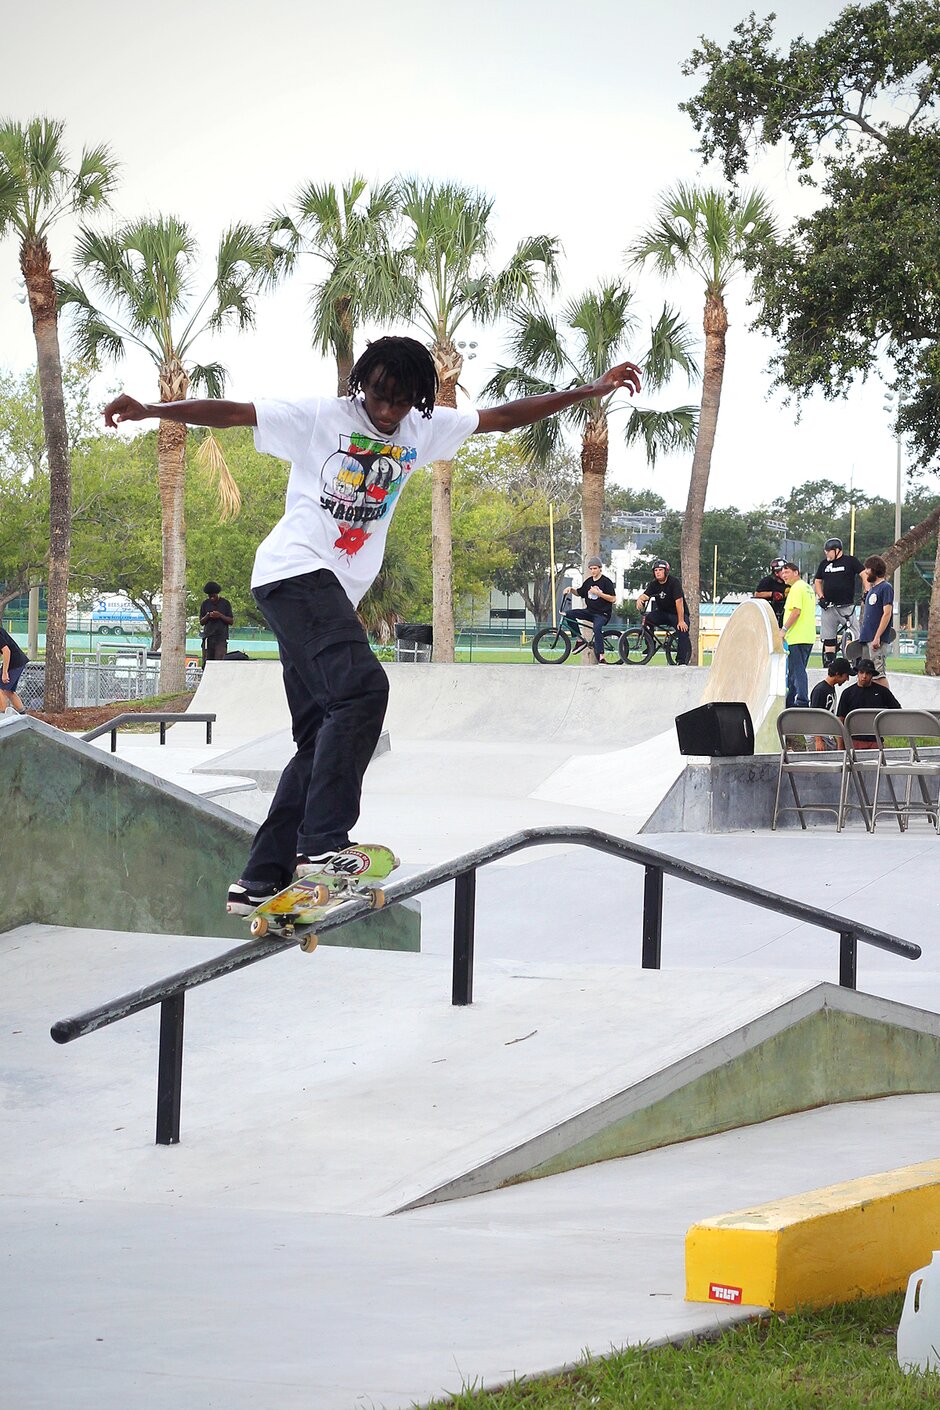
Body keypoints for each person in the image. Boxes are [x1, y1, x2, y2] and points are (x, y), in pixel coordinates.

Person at [103, 335, 641, 914]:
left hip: (314, 592)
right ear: (362, 385)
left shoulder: (423, 429)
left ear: (419, 399)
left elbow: (503, 417)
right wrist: (152, 409)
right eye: (378, 396)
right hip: (295, 573)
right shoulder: (320, 417)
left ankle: (260, 878)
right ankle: (323, 844)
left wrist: (590, 390)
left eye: (400, 401)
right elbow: (233, 412)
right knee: (362, 691)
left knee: (319, 738)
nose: (386, 412)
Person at [814, 536, 865, 668]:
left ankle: (856, 661)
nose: (826, 554)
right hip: (829, 607)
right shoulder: (824, 564)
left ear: (837, 550)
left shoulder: (850, 561)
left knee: (855, 633)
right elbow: (818, 581)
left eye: (828, 551)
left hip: (846, 606)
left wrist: (867, 591)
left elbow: (864, 574)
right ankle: (830, 663)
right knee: (828, 637)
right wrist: (821, 597)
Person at [636, 558, 691, 664]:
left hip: (677, 614)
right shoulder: (653, 584)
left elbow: (679, 602)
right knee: (648, 619)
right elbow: (646, 595)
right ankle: (651, 645)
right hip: (663, 613)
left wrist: (681, 621)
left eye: (660, 570)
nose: (658, 572)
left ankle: (681, 660)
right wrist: (640, 599)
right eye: (655, 570)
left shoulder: (674, 582)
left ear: (666, 571)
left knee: (683, 631)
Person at [837, 657, 901, 747]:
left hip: (876, 739)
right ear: (857, 673)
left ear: (872, 675)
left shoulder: (882, 692)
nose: (864, 676)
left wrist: (886, 727)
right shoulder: (847, 693)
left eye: (868, 673)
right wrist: (840, 745)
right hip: (853, 740)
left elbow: (897, 711)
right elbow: (841, 719)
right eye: (861, 672)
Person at [779, 562, 817, 708]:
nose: (784, 575)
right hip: (807, 636)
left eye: (787, 572)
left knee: (798, 669)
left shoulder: (796, 588)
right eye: (782, 573)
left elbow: (796, 611)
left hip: (796, 636)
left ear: (796, 572)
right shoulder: (807, 588)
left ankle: (802, 700)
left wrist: (784, 629)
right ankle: (789, 699)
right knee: (794, 670)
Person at [568, 556, 617, 663]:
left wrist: (599, 593)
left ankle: (601, 656)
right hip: (589, 611)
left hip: (602, 614)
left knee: (597, 628)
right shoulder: (588, 582)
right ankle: (579, 640)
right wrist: (571, 589)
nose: (593, 571)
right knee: (568, 614)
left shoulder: (606, 582)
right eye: (591, 569)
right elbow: (579, 593)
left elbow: (613, 599)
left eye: (595, 568)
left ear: (600, 568)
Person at [857, 555, 894, 683]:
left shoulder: (885, 587)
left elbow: (887, 613)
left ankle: (885, 696)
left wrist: (877, 636)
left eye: (868, 568)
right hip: (867, 637)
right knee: (866, 675)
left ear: (874, 569)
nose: (866, 572)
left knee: (878, 673)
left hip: (876, 639)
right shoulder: (872, 590)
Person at [808, 657, 851, 750]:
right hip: (819, 735)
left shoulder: (830, 688)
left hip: (826, 734)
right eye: (846, 675)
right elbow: (814, 715)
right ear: (837, 674)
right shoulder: (820, 690)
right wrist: (818, 740)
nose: (847, 679)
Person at [199, 581, 234, 667]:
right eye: (210, 596)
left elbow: (231, 621)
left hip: (220, 638)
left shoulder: (225, 603)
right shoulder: (205, 604)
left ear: (217, 594)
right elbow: (201, 622)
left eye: (213, 596)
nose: (212, 598)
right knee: (207, 662)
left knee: (219, 661)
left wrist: (220, 615)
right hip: (208, 637)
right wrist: (208, 616)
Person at [0, 625, 28, 715]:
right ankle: (23, 715)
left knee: (1, 689)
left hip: (15, 662)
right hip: (17, 661)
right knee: (9, 691)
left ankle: (2, 716)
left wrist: (5, 673)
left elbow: (6, 651)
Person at [754, 558, 788, 628]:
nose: (786, 574)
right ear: (776, 573)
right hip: (770, 613)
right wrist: (772, 594)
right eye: (783, 571)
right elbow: (757, 594)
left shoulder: (790, 582)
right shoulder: (767, 581)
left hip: (786, 613)